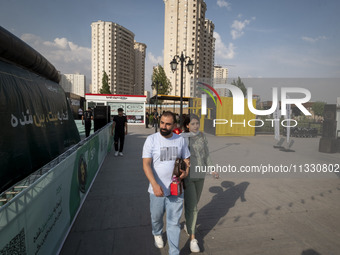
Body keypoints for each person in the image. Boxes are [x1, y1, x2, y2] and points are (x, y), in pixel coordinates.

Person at [142, 111, 190, 255]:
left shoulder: (180, 140)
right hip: (156, 190)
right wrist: (155, 185)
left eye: (168, 124)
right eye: (162, 123)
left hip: (176, 189)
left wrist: (185, 172)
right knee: (156, 217)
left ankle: (174, 252)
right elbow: (146, 164)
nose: (164, 126)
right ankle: (157, 232)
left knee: (174, 222)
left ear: (174, 125)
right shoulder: (151, 140)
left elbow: (187, 160)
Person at [180, 114, 218, 253]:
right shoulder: (183, 138)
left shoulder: (202, 136)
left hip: (200, 175)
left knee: (193, 204)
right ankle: (193, 239)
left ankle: (188, 224)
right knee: (193, 207)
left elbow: (206, 154)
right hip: (188, 176)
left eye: (197, 123)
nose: (196, 126)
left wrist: (212, 169)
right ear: (187, 125)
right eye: (193, 123)